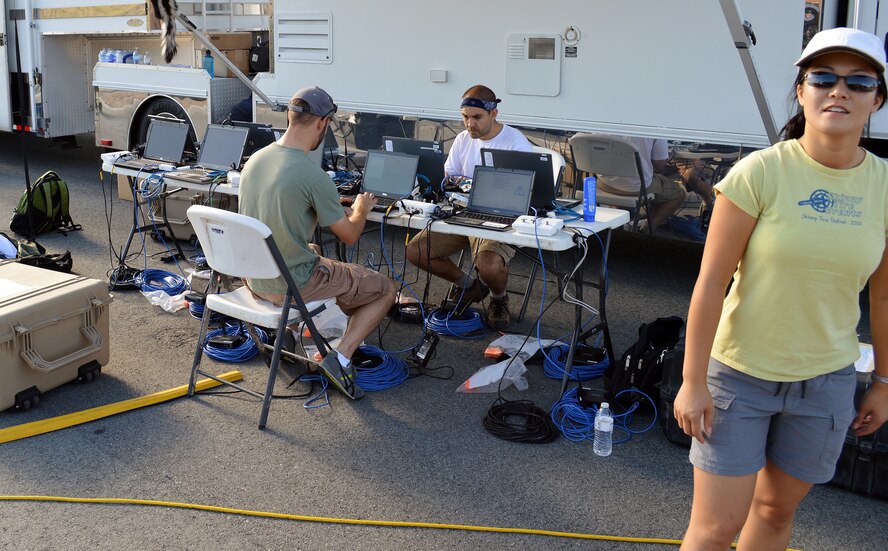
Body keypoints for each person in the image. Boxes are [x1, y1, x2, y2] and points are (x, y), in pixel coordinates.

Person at [673, 28, 888, 550]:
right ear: (802, 90)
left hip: (826, 382)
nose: (839, 91)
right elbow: (710, 284)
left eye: (858, 82)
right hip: (740, 376)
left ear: (877, 100)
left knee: (773, 514)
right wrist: (692, 380)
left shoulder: (884, 186)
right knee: (717, 527)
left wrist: (884, 381)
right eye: (823, 77)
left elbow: (882, 296)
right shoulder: (761, 173)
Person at [238, 85, 396, 400]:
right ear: (322, 123)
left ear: (290, 115)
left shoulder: (255, 160)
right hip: (291, 284)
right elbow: (350, 236)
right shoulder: (312, 174)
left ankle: (292, 332)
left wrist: (325, 201)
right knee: (384, 288)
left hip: (253, 278)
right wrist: (360, 210)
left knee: (315, 250)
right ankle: (340, 357)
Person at [405, 85, 532, 330]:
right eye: (465, 117)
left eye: (476, 118)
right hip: (462, 213)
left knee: (488, 264)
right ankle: (469, 286)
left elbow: (522, 190)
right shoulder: (463, 139)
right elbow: (449, 177)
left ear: (494, 113)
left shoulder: (515, 142)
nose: (469, 124)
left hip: (500, 216)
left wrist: (470, 185)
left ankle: (498, 297)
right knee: (416, 251)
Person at [594, 137, 688, 231]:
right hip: (636, 187)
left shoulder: (599, 123)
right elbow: (660, 164)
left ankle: (620, 221)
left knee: (650, 177)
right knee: (679, 193)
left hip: (604, 183)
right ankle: (647, 229)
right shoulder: (656, 126)